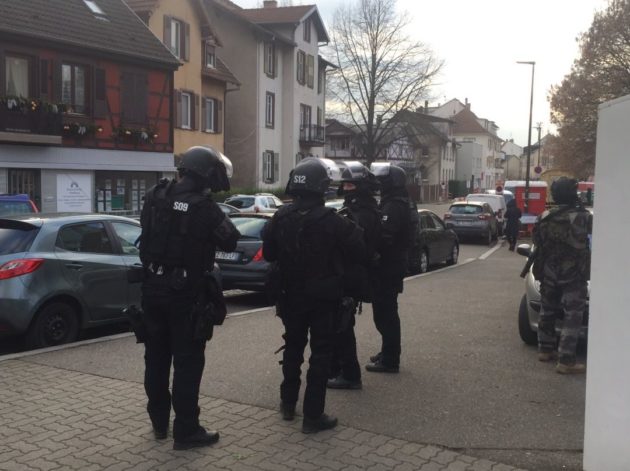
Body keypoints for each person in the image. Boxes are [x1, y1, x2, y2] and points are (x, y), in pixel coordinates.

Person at [138, 146, 240, 449]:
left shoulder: (154, 196)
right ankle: (186, 430)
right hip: (184, 295)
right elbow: (231, 238)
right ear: (205, 174)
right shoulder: (203, 206)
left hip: (151, 289)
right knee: (187, 363)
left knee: (155, 359)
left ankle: (159, 423)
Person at [262, 157, 366, 433]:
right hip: (323, 299)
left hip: (290, 296)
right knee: (320, 354)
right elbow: (359, 250)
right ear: (322, 187)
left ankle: (287, 404)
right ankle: (312, 416)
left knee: (293, 349)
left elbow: (269, 254)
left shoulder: (280, 216)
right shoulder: (333, 221)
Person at [327, 161, 382, 390]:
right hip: (351, 273)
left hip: (350, 274)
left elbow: (356, 247)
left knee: (342, 326)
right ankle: (338, 368)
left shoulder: (362, 213)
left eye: (351, 185)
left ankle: (349, 374)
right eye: (346, 185)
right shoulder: (362, 210)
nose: (347, 189)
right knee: (340, 324)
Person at [532, 177, 592, 374]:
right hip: (574, 274)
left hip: (549, 272)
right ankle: (566, 360)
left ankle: (544, 350)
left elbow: (538, 243)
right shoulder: (583, 217)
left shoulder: (544, 217)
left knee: (547, 310)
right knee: (572, 316)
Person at [365, 163, 411, 373]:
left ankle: (390, 359)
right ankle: (388, 352)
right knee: (385, 312)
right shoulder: (396, 201)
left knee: (386, 314)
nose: (380, 184)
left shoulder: (394, 205)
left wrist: (370, 250)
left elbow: (385, 235)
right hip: (392, 265)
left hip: (388, 266)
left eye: (383, 181)